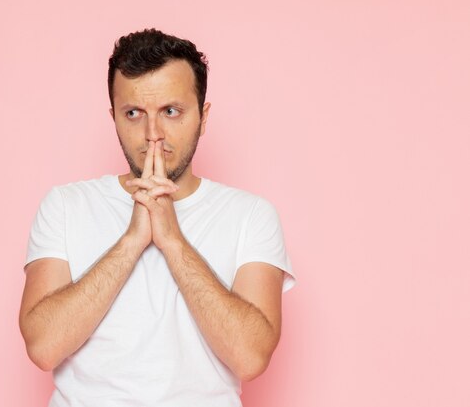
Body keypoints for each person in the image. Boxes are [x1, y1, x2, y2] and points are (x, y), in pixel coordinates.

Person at [19, 28, 297, 407]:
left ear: (203, 115)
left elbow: (250, 357)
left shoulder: (250, 216)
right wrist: (132, 240)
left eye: (171, 111)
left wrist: (171, 239)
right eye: (133, 113)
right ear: (113, 116)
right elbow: (43, 347)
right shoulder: (65, 205)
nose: (153, 134)